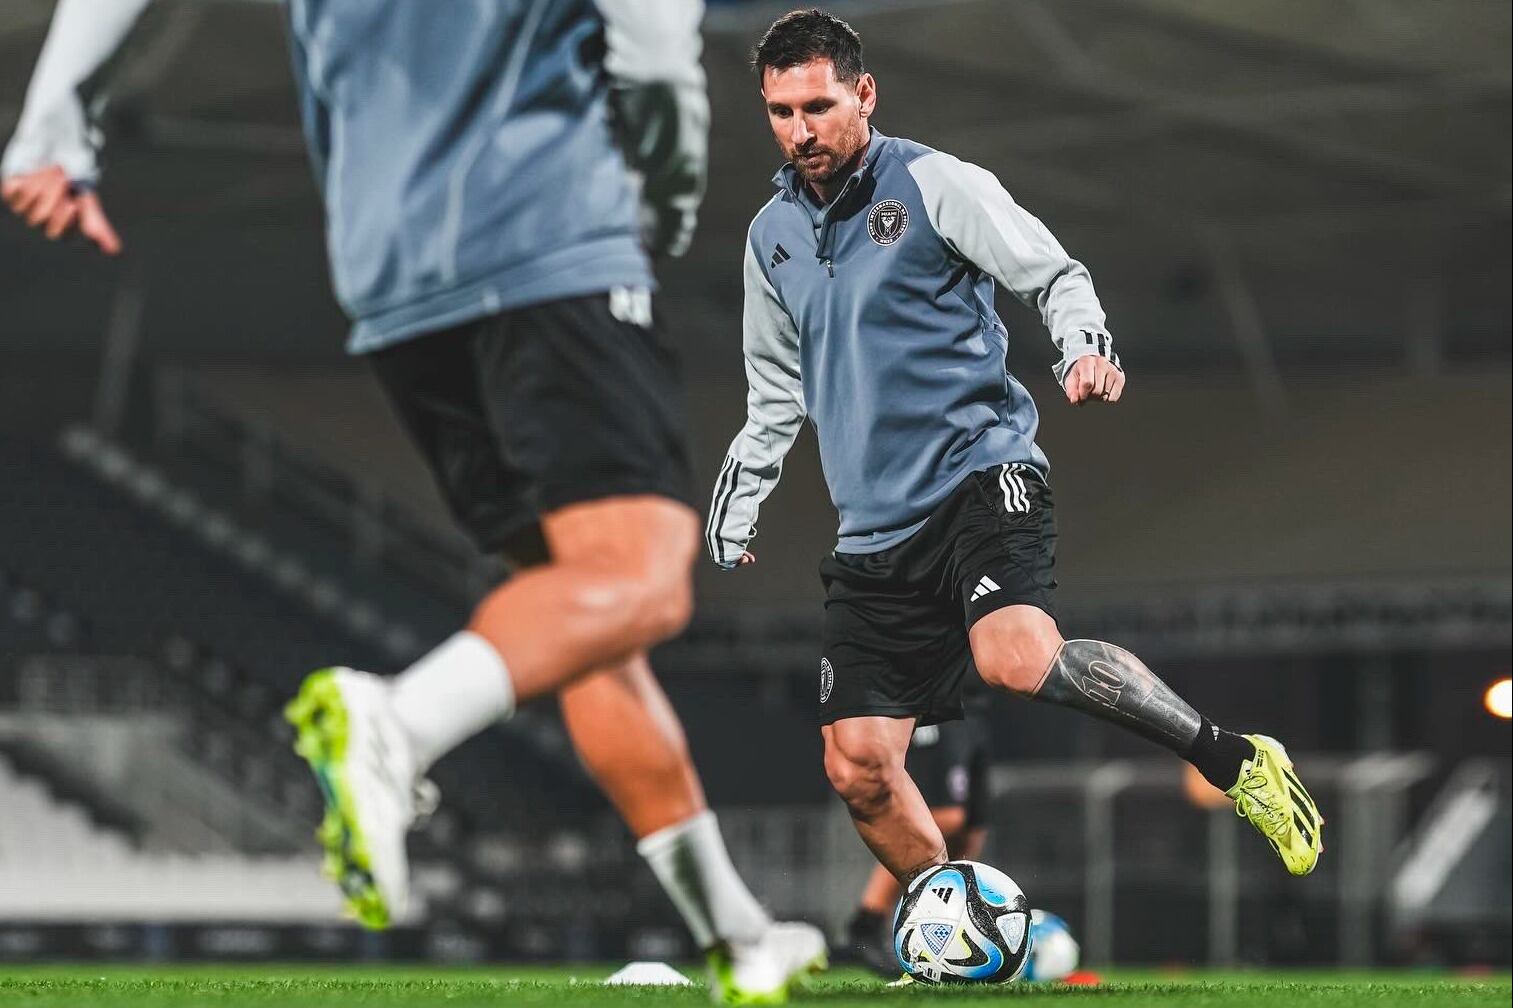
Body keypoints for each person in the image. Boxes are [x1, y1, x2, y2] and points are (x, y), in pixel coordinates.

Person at [4, 1, 825, 999]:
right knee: (642, 580)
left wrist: (52, 117)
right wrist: (664, 194)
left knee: (576, 616)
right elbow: (652, 53)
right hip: (546, 236)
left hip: (390, 277)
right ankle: (397, 725)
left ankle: (735, 935)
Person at [708, 9, 1323, 905]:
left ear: (864, 94)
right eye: (779, 111)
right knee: (858, 769)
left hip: (980, 472)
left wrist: (1080, 345)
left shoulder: (935, 184)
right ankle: (957, 920)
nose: (798, 130)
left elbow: (1054, 274)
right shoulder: (769, 237)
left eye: (817, 105)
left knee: (1012, 656)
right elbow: (773, 389)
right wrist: (738, 504)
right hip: (872, 528)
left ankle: (1235, 761)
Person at [844, 697, 990, 976]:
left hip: (976, 709)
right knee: (948, 815)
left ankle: (955, 923)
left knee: (972, 827)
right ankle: (868, 921)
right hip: (940, 703)